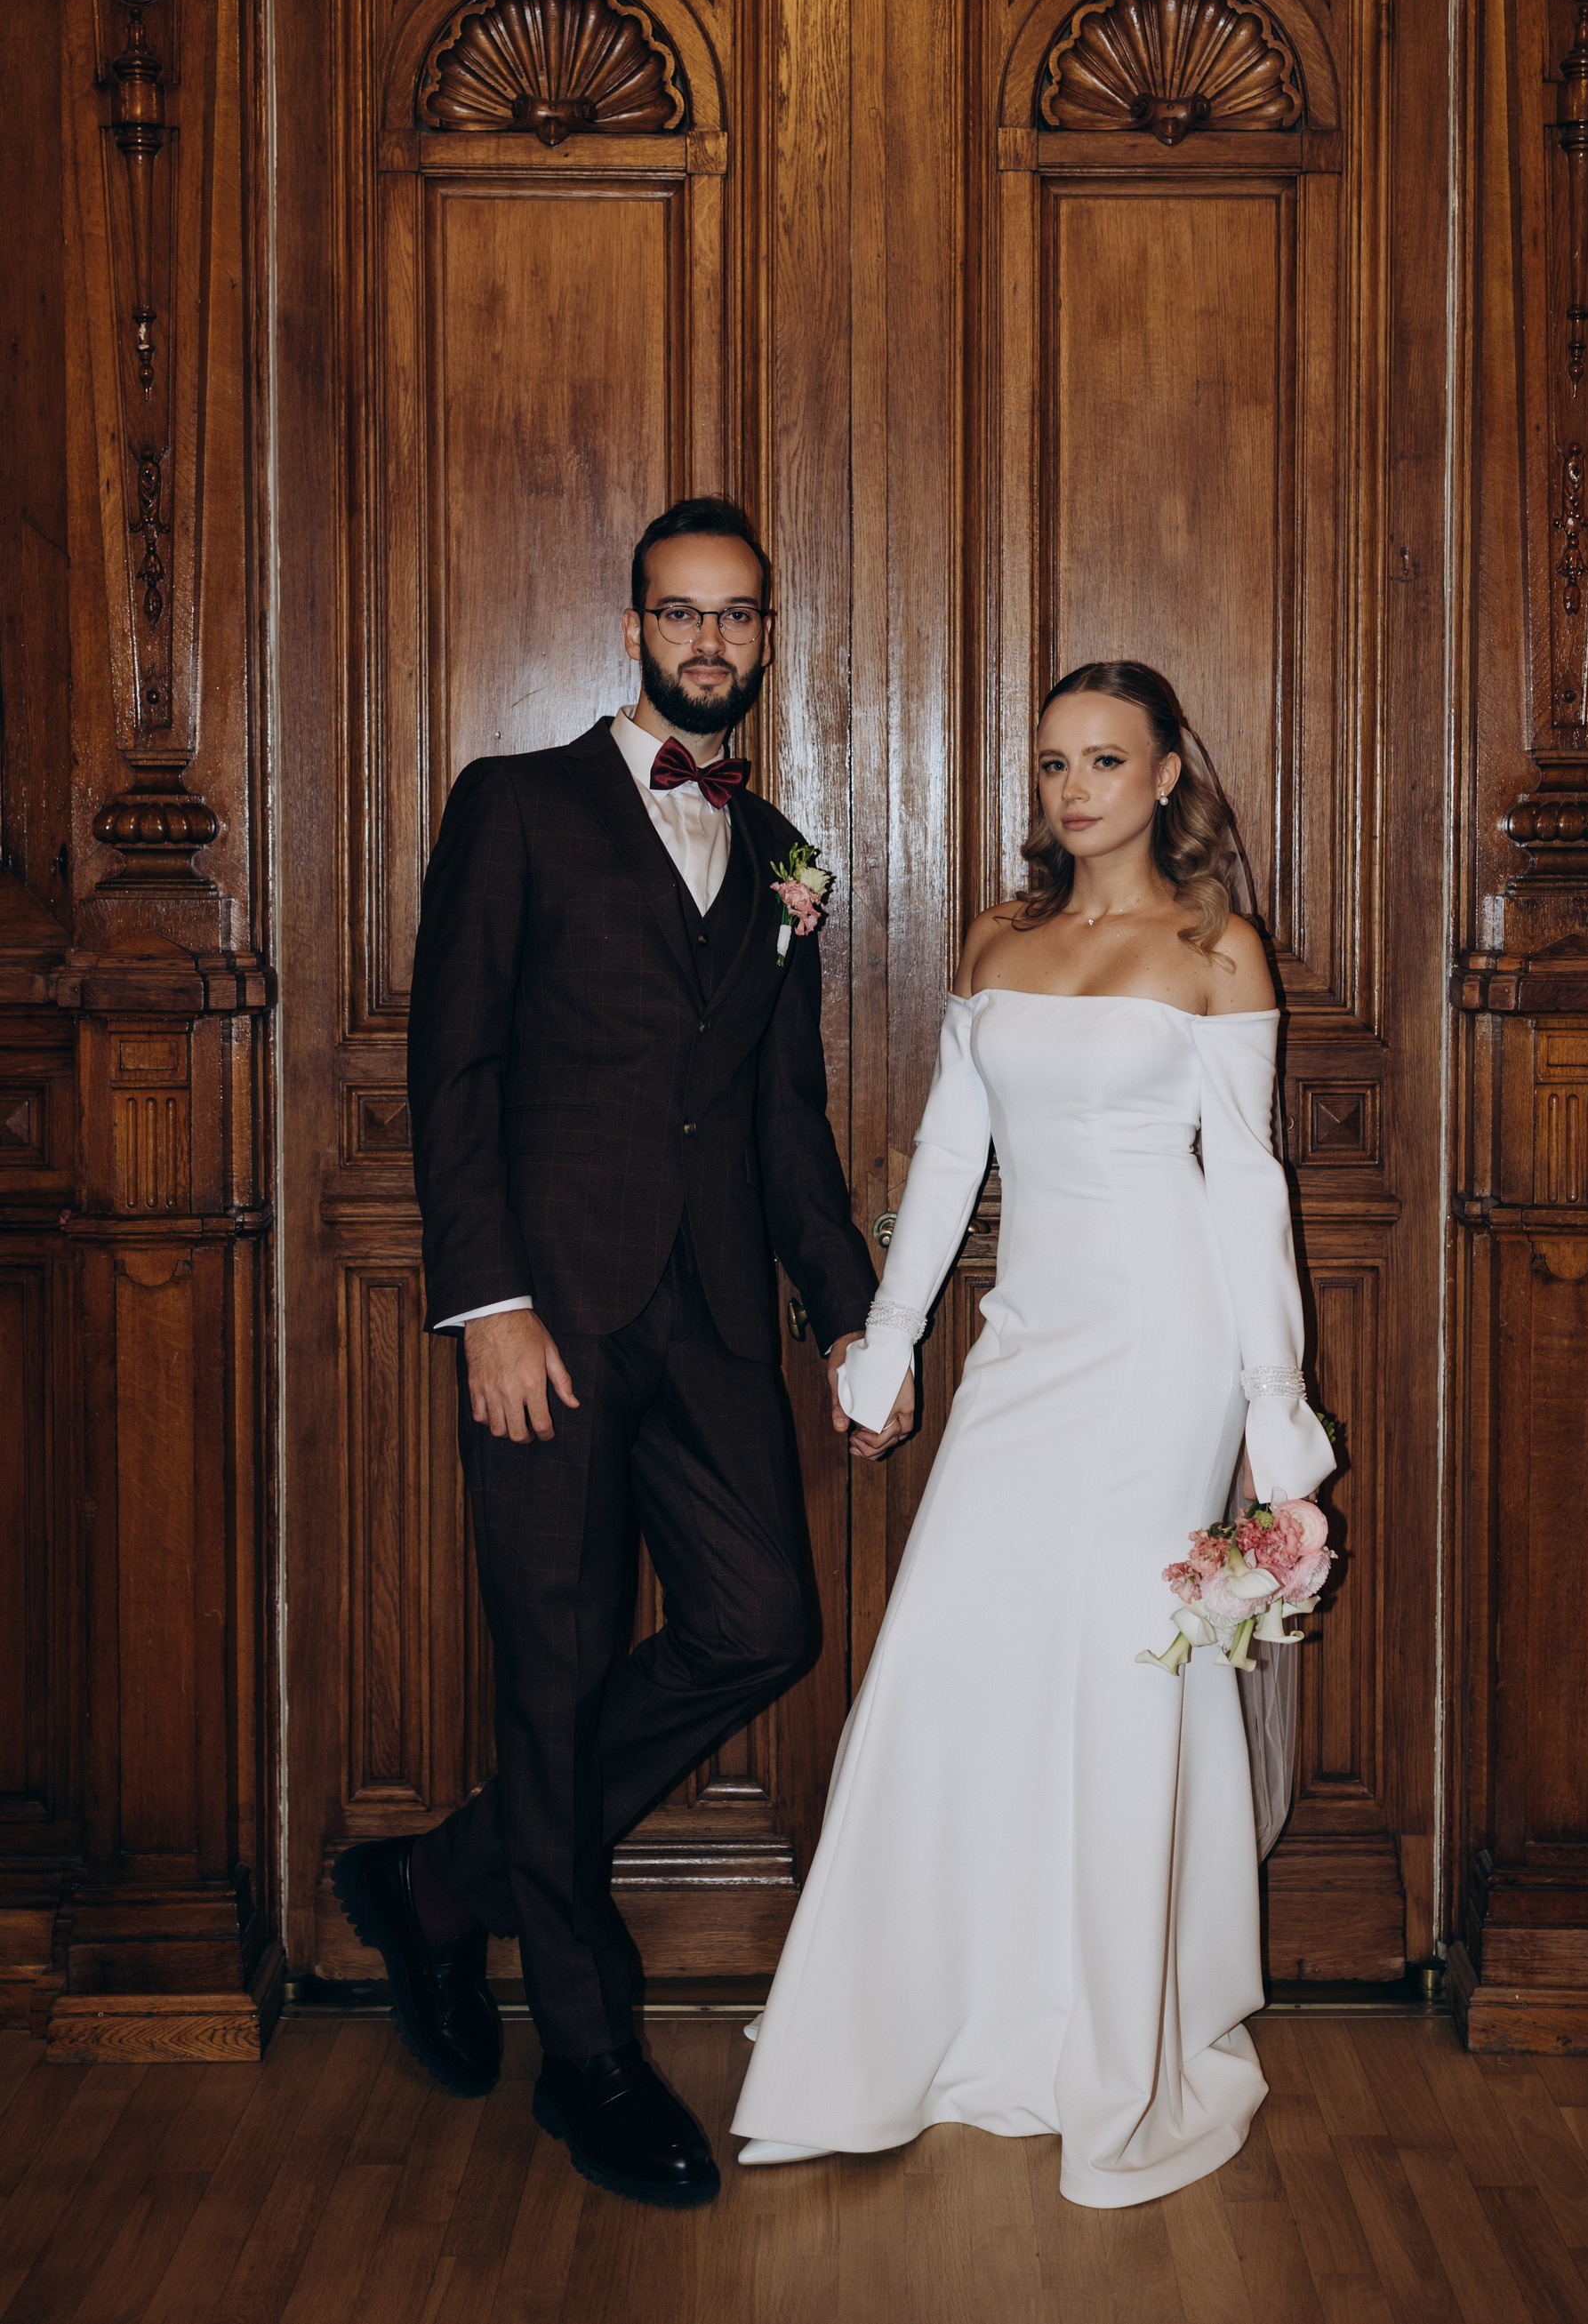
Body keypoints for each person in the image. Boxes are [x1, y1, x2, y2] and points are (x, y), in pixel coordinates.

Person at [732, 659, 1335, 2207]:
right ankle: (929, 2019)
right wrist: (886, 1344)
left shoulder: (1216, 949)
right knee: (948, 1647)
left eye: (1106, 761)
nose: (1075, 789)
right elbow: (950, 1158)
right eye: (1055, 762)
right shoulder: (999, 936)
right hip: (1027, 1340)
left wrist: (1275, 1411)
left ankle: (1113, 2040)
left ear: (1167, 772)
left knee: (1123, 1675)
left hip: (1166, 1349)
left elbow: (1247, 1187)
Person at [336, 497, 878, 2210]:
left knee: (764, 1621)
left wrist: (848, 1312)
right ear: (635, 624)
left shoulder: (782, 851)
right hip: (547, 1323)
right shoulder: (514, 804)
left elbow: (786, 1117)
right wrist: (485, 1302)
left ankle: (440, 1881)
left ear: (768, 635)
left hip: (711, 1322)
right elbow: (453, 1068)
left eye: (737, 614)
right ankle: (587, 2056)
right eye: (679, 611)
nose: (709, 639)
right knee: (556, 1673)